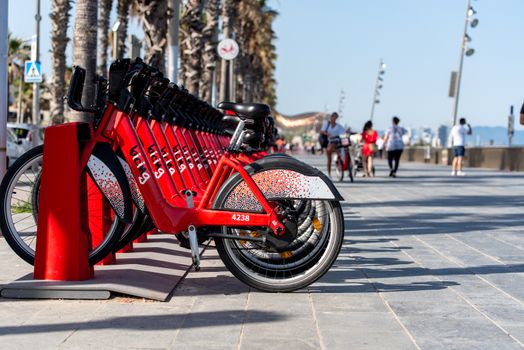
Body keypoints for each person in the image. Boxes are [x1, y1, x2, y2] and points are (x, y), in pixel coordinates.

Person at [320, 112, 345, 178]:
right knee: (329, 159)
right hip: (328, 142)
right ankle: (329, 174)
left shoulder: (338, 126)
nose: (333, 119)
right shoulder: (327, 124)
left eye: (335, 118)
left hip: (336, 141)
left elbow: (344, 133)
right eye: (332, 117)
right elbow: (322, 131)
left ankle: (338, 159)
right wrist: (327, 134)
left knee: (338, 149)